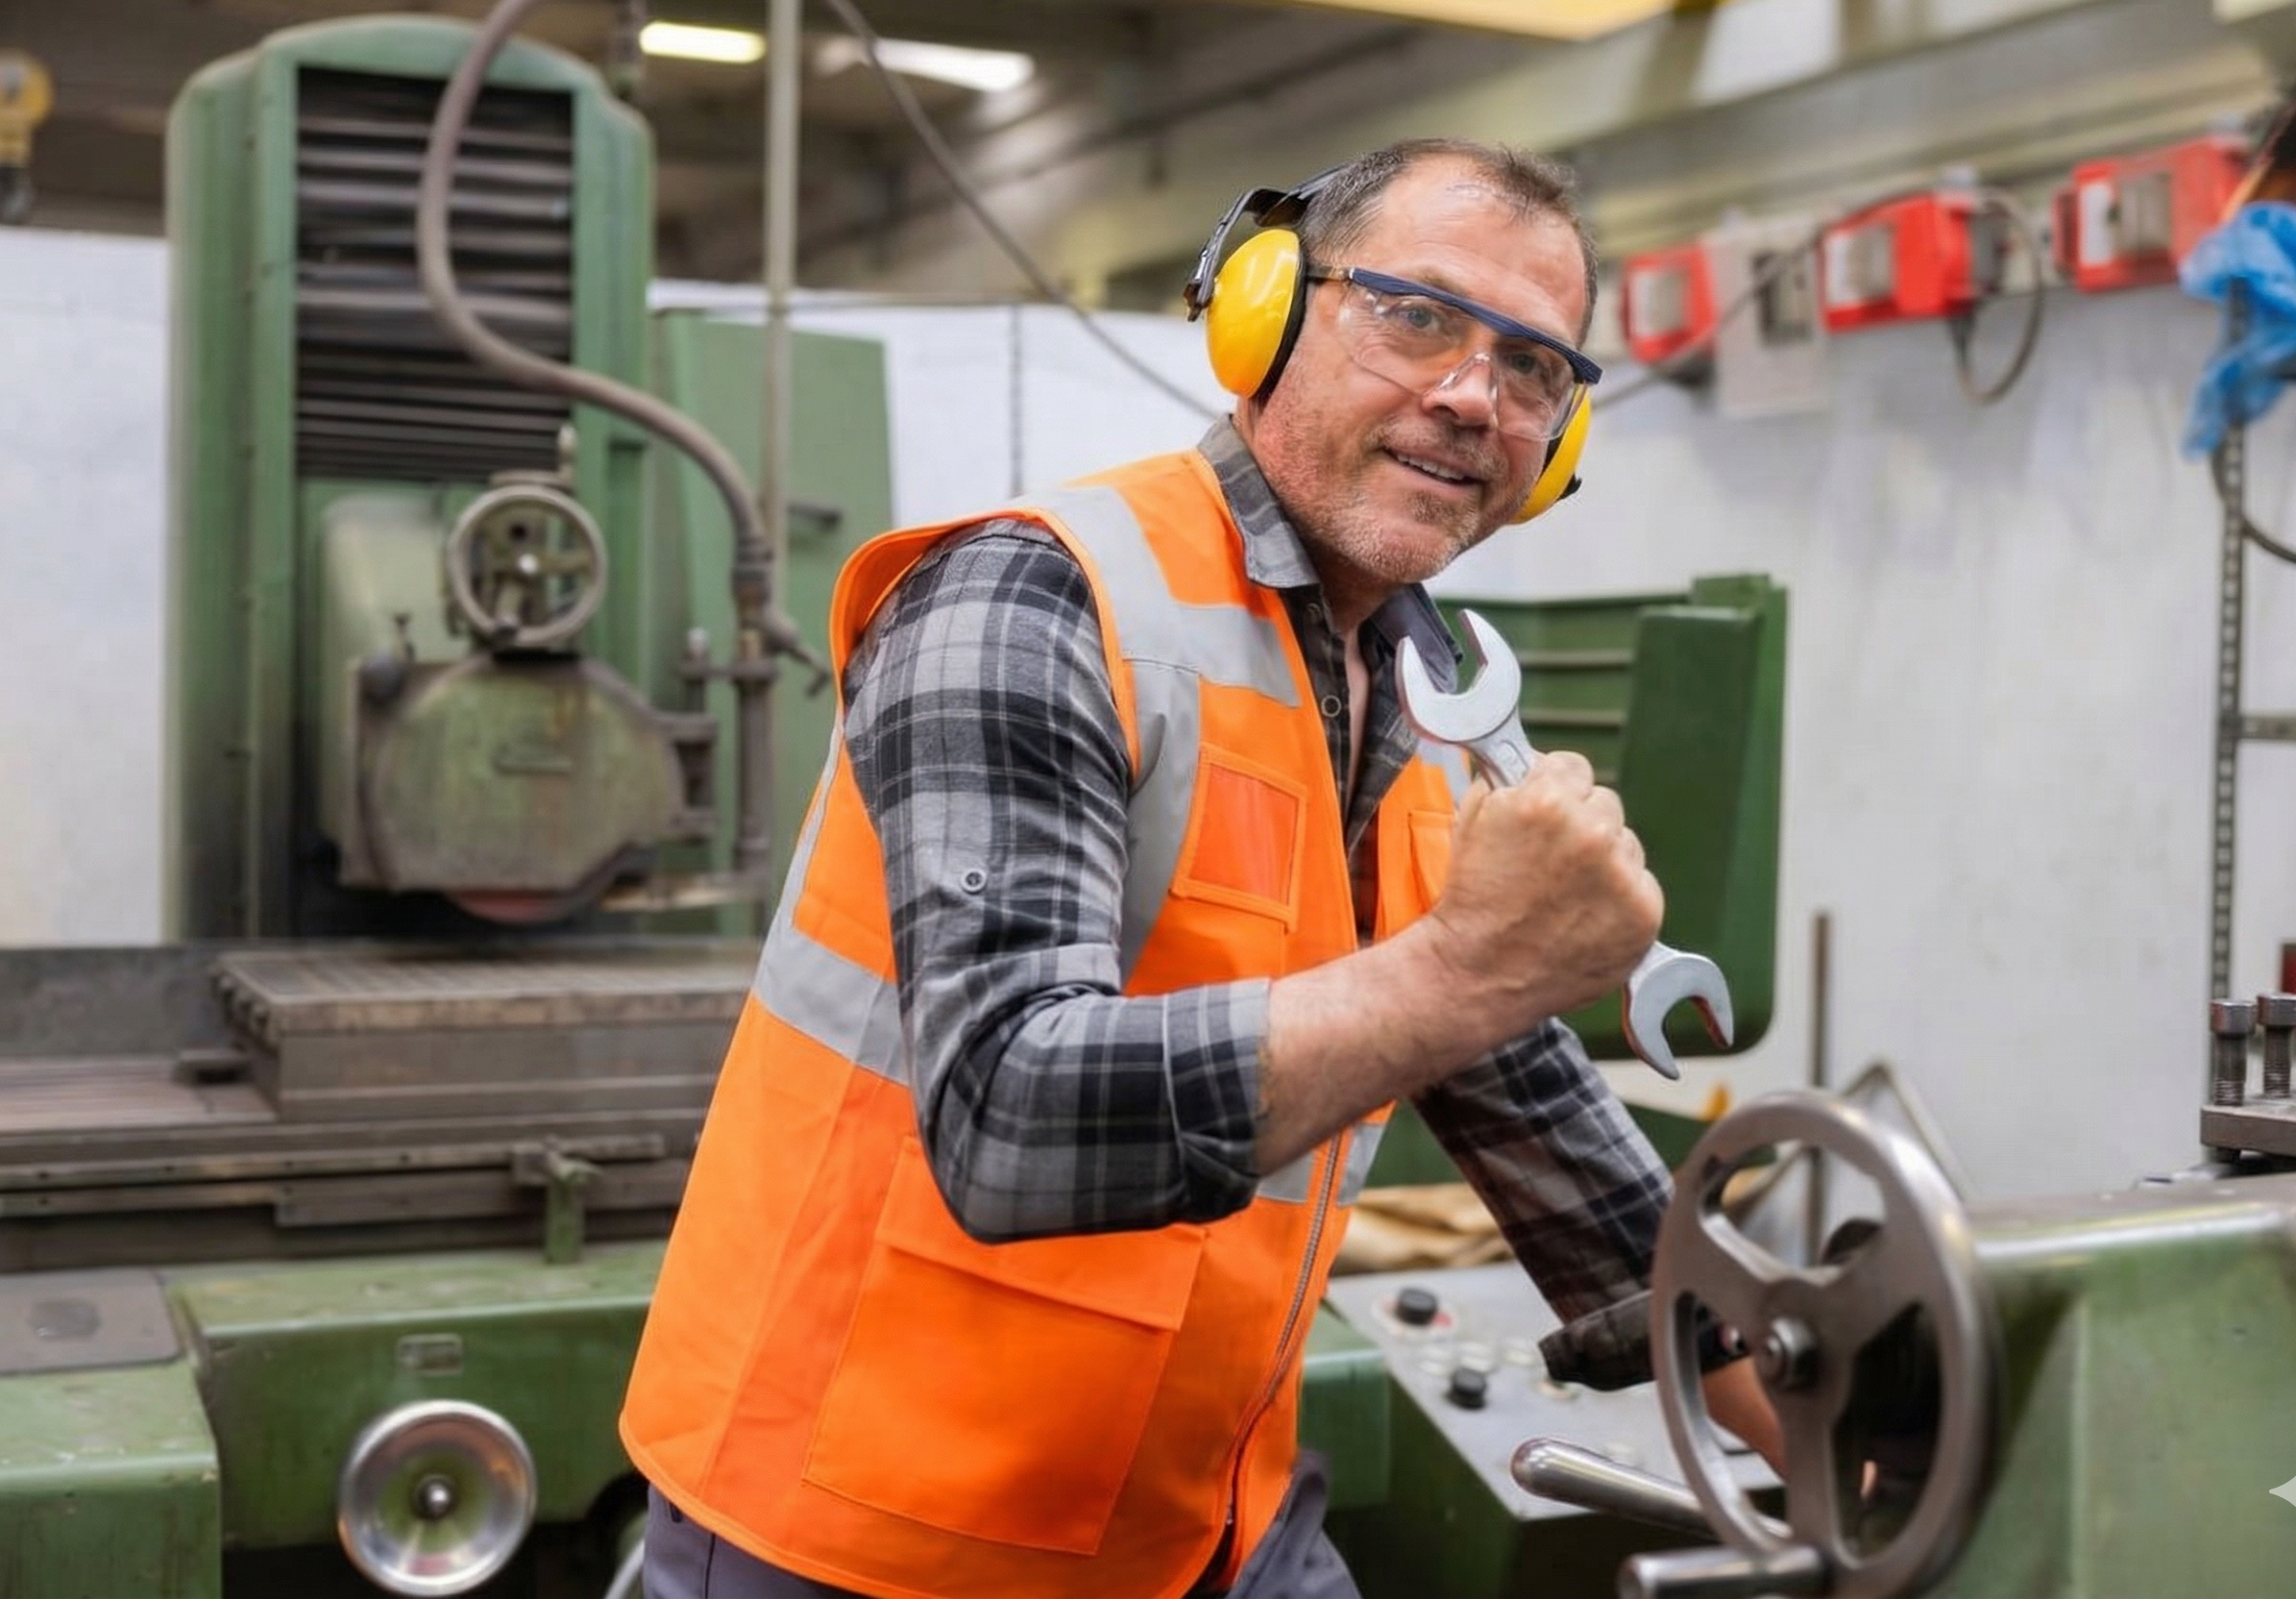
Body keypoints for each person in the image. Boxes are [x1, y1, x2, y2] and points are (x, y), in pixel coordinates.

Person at [620, 136, 1780, 1599]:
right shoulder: (1029, 598)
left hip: (1195, 1518)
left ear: (1557, 444)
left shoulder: (1418, 687)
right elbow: (1005, 1114)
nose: (1472, 395)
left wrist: (1806, 1427)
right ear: (1266, 312)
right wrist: (1468, 965)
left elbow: (1527, 1104)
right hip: (870, 1530)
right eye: (1415, 315)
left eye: (1533, 364)